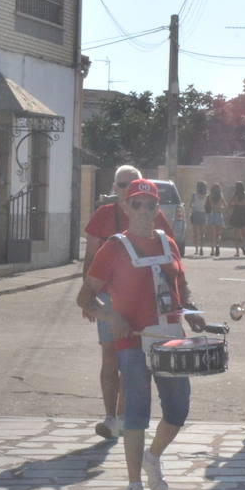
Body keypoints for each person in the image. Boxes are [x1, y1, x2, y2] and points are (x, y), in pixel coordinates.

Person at [77, 179, 205, 490]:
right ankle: (134, 487)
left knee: (178, 410)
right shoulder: (114, 248)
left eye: (150, 205)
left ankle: (153, 458)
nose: (145, 211)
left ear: (157, 209)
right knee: (136, 412)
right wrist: (109, 315)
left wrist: (192, 311)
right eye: (137, 204)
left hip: (170, 338)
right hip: (132, 342)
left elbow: (181, 285)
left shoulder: (168, 243)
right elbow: (85, 297)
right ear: (125, 207)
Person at [81, 165, 173, 440]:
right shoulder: (103, 215)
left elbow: (170, 251)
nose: (126, 189)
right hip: (108, 296)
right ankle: (111, 417)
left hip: (142, 296)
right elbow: (90, 256)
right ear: (115, 189)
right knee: (110, 354)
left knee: (131, 356)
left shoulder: (154, 214)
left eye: (132, 184)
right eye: (121, 185)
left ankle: (123, 418)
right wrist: (90, 299)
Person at [227, 182, 245, 256]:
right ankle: (243, 245)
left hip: (236, 213)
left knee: (236, 234)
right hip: (244, 213)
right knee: (244, 232)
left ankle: (237, 252)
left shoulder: (235, 195)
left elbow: (229, 205)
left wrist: (235, 204)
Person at [188, 181, 209, 257]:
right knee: (202, 233)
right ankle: (201, 248)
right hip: (203, 214)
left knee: (195, 233)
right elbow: (208, 206)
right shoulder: (207, 195)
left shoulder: (194, 195)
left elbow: (190, 205)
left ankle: (196, 249)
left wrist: (193, 207)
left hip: (196, 214)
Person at [205, 183, 225, 257]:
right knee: (218, 234)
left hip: (212, 214)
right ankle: (218, 245)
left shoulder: (210, 196)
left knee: (212, 234)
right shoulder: (221, 196)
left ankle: (212, 250)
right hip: (219, 215)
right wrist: (221, 207)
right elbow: (225, 205)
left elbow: (209, 205)